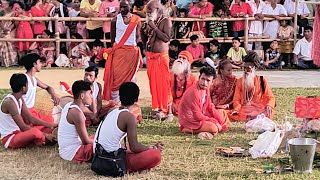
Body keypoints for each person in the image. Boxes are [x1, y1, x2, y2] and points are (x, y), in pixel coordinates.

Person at [94, 82, 162, 173]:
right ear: (136, 99)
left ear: (120, 96)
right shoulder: (129, 117)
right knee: (156, 155)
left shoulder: (112, 110)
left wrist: (149, 147)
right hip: (112, 160)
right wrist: (152, 148)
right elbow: (134, 147)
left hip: (98, 156)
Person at [0, 74, 56, 149]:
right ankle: (42, 139)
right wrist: (45, 135)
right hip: (10, 138)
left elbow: (31, 118)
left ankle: (41, 139)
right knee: (36, 133)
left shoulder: (20, 99)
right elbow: (23, 127)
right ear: (23, 88)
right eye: (27, 85)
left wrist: (51, 125)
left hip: (20, 133)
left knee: (48, 128)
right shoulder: (10, 103)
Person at [102, 0, 142, 102]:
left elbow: (138, 37)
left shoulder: (136, 20)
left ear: (131, 6)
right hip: (118, 53)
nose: (123, 9)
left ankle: (130, 100)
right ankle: (115, 102)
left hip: (131, 53)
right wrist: (119, 47)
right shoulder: (115, 20)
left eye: (125, 7)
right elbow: (112, 39)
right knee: (116, 79)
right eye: (121, 7)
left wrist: (130, 47)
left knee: (131, 78)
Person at [142, 0, 172, 119]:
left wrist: (154, 28)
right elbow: (145, 42)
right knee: (154, 85)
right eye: (147, 11)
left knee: (164, 84)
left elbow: (166, 38)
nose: (148, 13)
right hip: (151, 57)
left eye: (150, 11)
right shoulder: (150, 21)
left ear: (158, 10)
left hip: (161, 58)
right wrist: (143, 31)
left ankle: (168, 110)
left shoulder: (166, 21)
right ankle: (158, 109)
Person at [178, 67, 230, 135]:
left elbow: (209, 107)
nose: (204, 83)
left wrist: (221, 122)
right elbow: (197, 116)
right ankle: (187, 129)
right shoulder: (194, 92)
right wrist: (213, 121)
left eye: (208, 80)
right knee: (213, 128)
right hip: (190, 120)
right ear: (199, 78)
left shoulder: (206, 89)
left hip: (201, 115)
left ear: (212, 82)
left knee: (221, 113)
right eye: (202, 79)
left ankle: (214, 125)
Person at [230, 52, 276, 121]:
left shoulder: (262, 80)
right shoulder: (239, 81)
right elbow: (236, 100)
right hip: (244, 109)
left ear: (254, 68)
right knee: (232, 114)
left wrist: (269, 105)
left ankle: (251, 117)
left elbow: (270, 97)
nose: (246, 71)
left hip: (259, 109)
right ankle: (251, 117)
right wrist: (237, 109)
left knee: (268, 112)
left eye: (248, 68)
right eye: (244, 68)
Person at [21, 53, 59, 132]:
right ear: (34, 64)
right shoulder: (24, 79)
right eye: (39, 62)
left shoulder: (34, 79)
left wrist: (53, 95)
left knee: (50, 120)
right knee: (46, 126)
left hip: (32, 111)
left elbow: (48, 87)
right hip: (25, 113)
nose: (41, 64)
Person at [58, 80, 94, 163]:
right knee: (103, 146)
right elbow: (86, 141)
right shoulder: (77, 113)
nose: (91, 96)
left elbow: (93, 115)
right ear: (82, 95)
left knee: (97, 137)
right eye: (89, 94)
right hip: (72, 152)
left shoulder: (70, 105)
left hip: (66, 149)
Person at [169, 51, 197, 116]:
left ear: (188, 63)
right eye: (179, 57)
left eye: (183, 58)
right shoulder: (170, 75)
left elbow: (193, 96)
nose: (180, 60)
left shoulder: (192, 78)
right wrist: (171, 103)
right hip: (171, 101)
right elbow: (166, 92)